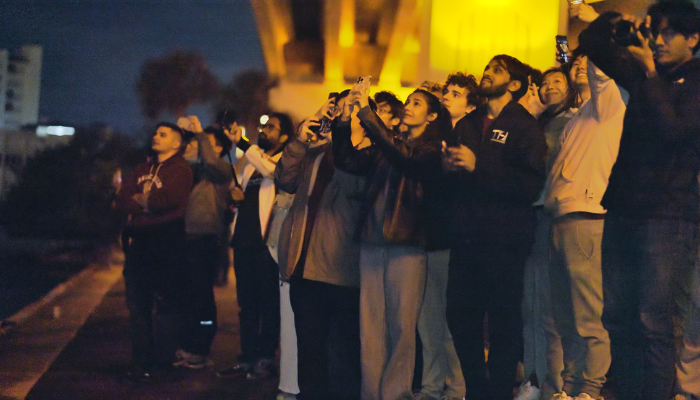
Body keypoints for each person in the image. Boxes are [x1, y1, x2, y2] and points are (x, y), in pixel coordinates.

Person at [578, 2, 700, 399]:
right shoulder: (647, 70)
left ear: (694, 39)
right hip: (624, 208)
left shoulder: (692, 80)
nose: (659, 42)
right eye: (656, 32)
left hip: (668, 215)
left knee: (654, 320)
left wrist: (648, 73)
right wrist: (619, 21)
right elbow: (590, 43)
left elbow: (674, 131)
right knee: (616, 316)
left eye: (669, 34)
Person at [445, 54, 547, 400]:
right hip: (466, 237)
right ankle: (476, 391)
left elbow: (529, 185)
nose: (486, 73)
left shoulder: (525, 127)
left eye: (497, 70)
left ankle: (500, 392)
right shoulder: (468, 123)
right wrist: (449, 168)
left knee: (503, 321)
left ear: (515, 85)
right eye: (487, 68)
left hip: (504, 239)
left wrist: (480, 167)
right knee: (459, 316)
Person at [335, 87, 442, 400]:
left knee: (401, 327)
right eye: (408, 102)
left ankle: (395, 394)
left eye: (417, 103)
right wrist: (343, 121)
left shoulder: (430, 148)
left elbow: (406, 158)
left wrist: (368, 114)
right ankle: (371, 393)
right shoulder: (388, 145)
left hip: (406, 245)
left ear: (431, 116)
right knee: (370, 327)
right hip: (372, 241)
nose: (408, 106)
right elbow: (348, 162)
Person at [275, 90, 370, 400]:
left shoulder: (367, 152)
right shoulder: (314, 151)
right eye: (333, 108)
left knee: (343, 355)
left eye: (343, 109)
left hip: (341, 270)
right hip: (303, 267)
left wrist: (339, 137)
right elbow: (285, 180)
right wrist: (300, 141)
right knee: (310, 353)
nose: (334, 115)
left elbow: (353, 185)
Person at [544, 45, 625, 399]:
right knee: (565, 316)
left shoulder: (609, 106)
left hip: (587, 215)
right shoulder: (575, 118)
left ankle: (591, 389)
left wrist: (593, 41)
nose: (579, 66)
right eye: (574, 62)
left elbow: (601, 74)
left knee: (589, 315)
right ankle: (571, 387)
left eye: (583, 63)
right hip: (561, 216)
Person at [414, 71, 479, 400]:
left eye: (456, 93)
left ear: (470, 105)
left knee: (453, 319)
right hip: (430, 235)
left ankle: (456, 388)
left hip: (455, 239)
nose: (447, 96)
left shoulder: (470, 136)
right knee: (428, 322)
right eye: (447, 92)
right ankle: (431, 386)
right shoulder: (436, 138)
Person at [218, 112, 292, 379]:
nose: (265, 130)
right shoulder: (253, 157)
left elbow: (271, 170)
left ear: (284, 136)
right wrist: (237, 196)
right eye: (264, 126)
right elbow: (248, 188)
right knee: (246, 304)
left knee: (268, 304)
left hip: (267, 243)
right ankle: (247, 357)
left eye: (271, 127)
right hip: (244, 240)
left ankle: (265, 358)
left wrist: (243, 143)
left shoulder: (286, 158)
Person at [518, 65, 577, 400]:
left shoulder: (572, 120)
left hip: (555, 216)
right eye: (545, 82)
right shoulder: (535, 121)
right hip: (530, 217)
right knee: (532, 307)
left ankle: (555, 385)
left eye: (558, 81)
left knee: (551, 310)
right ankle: (535, 380)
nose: (550, 86)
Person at [117, 122, 193, 380]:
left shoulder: (181, 170)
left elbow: (166, 201)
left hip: (166, 243)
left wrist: (142, 200)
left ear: (176, 143)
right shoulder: (142, 168)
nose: (156, 137)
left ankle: (163, 361)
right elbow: (123, 198)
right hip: (139, 244)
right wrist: (141, 204)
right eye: (155, 133)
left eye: (163, 135)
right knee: (137, 305)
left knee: (166, 306)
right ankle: (141, 361)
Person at [174, 118, 234, 370]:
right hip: (181, 238)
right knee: (185, 295)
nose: (199, 144)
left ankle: (202, 347)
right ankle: (187, 345)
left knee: (201, 297)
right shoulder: (191, 168)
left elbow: (210, 161)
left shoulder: (220, 171)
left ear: (218, 148)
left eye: (206, 142)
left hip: (205, 239)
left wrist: (199, 132)